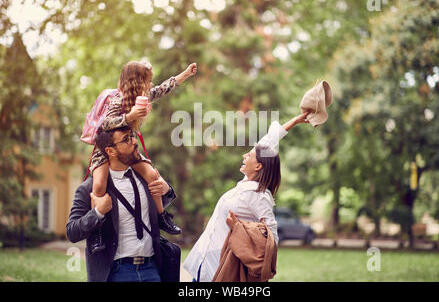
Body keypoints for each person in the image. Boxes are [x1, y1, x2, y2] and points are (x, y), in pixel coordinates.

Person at [183, 111, 310, 282]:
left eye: (249, 155)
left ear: (258, 166)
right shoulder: (246, 184)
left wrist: (239, 228)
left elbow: (271, 240)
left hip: (223, 272)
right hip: (203, 266)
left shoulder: (260, 196)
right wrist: (294, 121)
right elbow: (268, 142)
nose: (244, 155)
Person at [89, 60, 197, 253]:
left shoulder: (143, 97)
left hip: (129, 147)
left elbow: (165, 87)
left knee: (152, 176)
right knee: (98, 184)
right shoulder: (118, 100)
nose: (149, 85)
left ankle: (162, 216)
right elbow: (104, 125)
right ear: (135, 82)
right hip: (106, 149)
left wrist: (186, 74)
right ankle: (96, 230)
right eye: (147, 81)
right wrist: (129, 117)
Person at [67, 124, 176, 282]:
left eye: (132, 135)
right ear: (110, 151)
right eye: (126, 140)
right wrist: (98, 212)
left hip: (151, 270)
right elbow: (72, 232)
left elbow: (153, 209)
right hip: (116, 272)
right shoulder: (90, 188)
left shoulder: (144, 178)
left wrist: (166, 189)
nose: (133, 141)